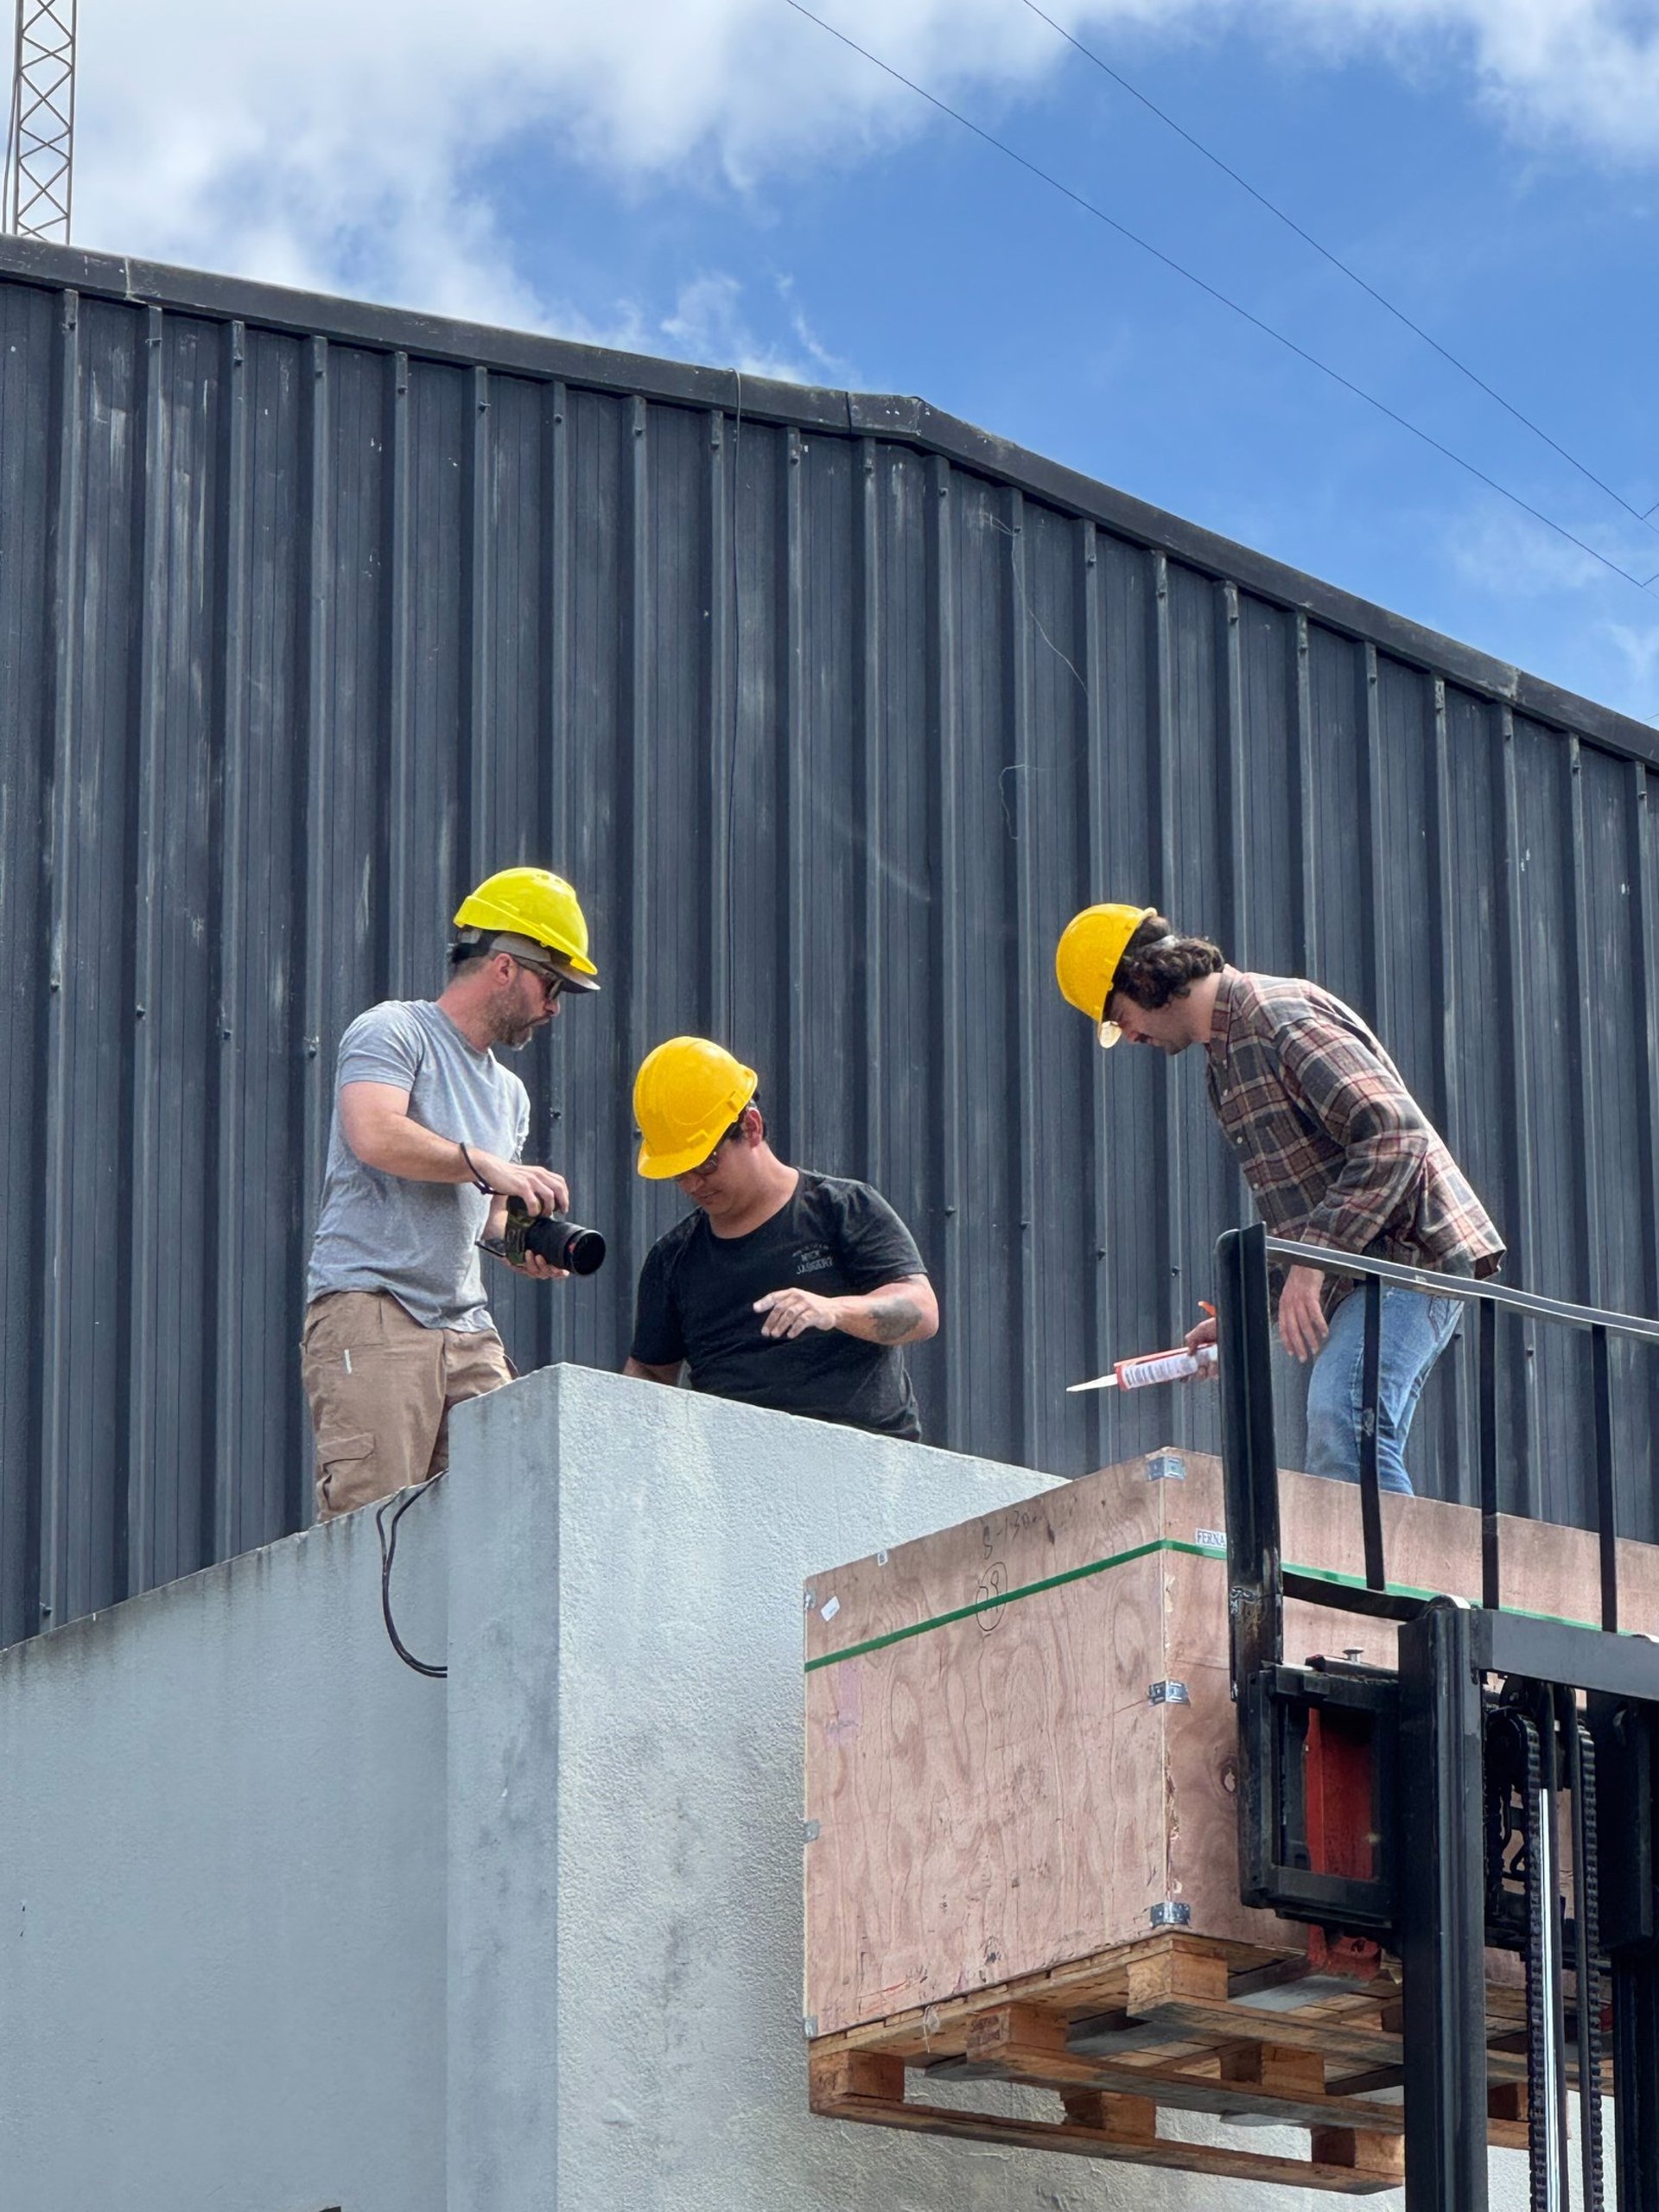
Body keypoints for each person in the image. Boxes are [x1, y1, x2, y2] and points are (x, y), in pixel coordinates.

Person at [1054, 904, 1503, 1493]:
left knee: (1344, 1421)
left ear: (1145, 978)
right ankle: (1384, 1581)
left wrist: (1312, 1263)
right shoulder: (1223, 1062)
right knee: (1347, 1429)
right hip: (1366, 1267)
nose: (1131, 1036)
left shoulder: (1276, 1016)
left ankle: (1397, 1587)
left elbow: (1396, 1137)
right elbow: (1304, 1204)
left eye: (1120, 1017)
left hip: (1408, 1257)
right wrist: (1243, 1321)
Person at [302, 867, 600, 1520]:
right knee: (372, 1529)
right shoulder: (393, 1031)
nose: (554, 1007)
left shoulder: (509, 1093)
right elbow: (374, 1134)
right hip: (374, 1308)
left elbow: (489, 1219)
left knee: (508, 1509)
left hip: (465, 1328)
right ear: (504, 967)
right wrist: (484, 1163)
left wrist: (523, 1245)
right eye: (552, 986)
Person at [623, 1037, 938, 1440]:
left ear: (751, 1127)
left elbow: (922, 1311)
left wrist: (834, 1311)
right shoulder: (672, 1260)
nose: (692, 1185)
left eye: (705, 1164)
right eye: (678, 1172)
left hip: (865, 1459)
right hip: (735, 1475)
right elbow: (650, 1372)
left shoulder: (841, 1210)